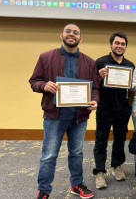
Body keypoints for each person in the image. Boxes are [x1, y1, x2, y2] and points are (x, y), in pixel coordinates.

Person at [29, 23, 99, 199]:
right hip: (54, 116)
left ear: (80, 38)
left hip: (79, 117)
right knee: (49, 155)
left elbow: (95, 88)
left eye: (76, 33)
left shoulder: (89, 62)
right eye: (68, 31)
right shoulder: (45, 57)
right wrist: (44, 85)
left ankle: (76, 184)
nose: (72, 34)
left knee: (76, 153)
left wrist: (94, 101)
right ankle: (43, 190)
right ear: (61, 35)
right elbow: (34, 82)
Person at [92, 32, 135, 188]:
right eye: (117, 43)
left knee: (120, 139)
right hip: (104, 108)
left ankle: (116, 166)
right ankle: (99, 172)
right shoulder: (101, 62)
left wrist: (129, 105)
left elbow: (131, 89)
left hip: (122, 108)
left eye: (123, 44)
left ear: (125, 46)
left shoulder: (130, 65)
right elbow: (93, 85)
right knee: (101, 139)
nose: (120, 46)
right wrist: (99, 76)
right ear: (111, 44)